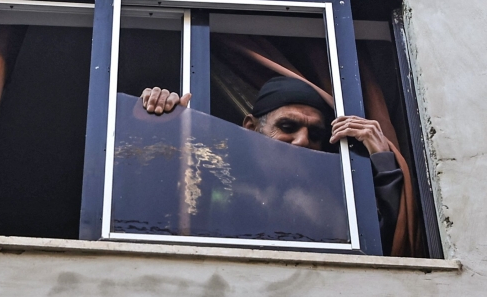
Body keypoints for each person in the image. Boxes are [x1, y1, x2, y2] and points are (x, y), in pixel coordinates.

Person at [140, 76, 404, 251]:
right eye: (287, 126)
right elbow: (151, 206)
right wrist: (157, 123)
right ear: (251, 128)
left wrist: (381, 158)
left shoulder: (336, 198)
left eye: (315, 134)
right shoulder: (211, 178)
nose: (302, 141)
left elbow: (383, 243)